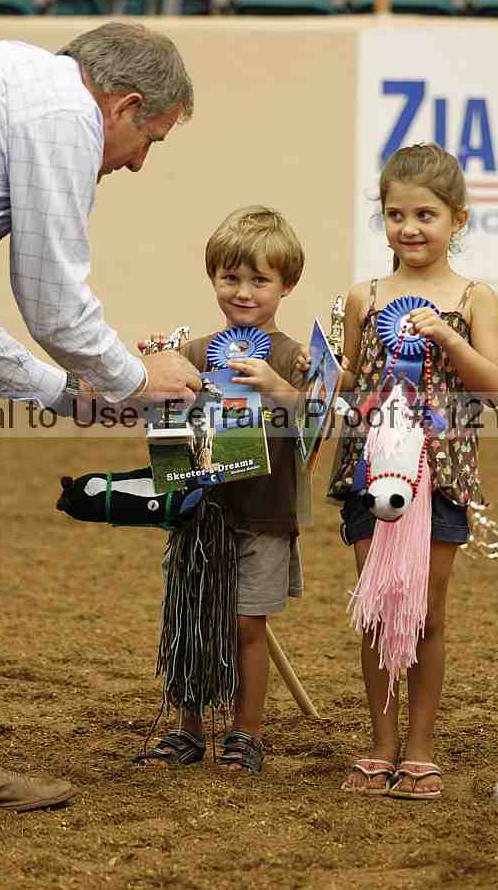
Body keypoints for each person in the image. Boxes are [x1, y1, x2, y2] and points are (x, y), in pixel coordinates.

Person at [0, 22, 201, 817]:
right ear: (125, 106)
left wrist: (67, 395)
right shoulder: (62, 111)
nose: (137, 164)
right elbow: (53, 299)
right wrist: (137, 379)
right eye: (150, 139)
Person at [328, 143, 498, 799]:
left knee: (427, 613)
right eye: (396, 214)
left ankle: (421, 748)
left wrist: (448, 337)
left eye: (425, 215)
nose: (409, 228)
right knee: (379, 608)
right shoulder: (363, 297)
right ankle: (381, 746)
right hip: (371, 470)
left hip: (442, 473)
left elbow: (494, 390)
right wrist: (322, 376)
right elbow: (349, 383)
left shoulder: (475, 299)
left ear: (457, 219)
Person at [135, 205, 306, 772]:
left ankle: (246, 733)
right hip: (199, 513)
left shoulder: (294, 357)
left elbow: (316, 423)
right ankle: (187, 730)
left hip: (263, 513)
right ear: (212, 277)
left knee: (245, 625)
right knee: (192, 620)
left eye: (260, 280)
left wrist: (278, 385)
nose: (243, 291)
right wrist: (153, 370)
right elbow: (163, 420)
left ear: (286, 284)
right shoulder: (191, 350)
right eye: (230, 277)